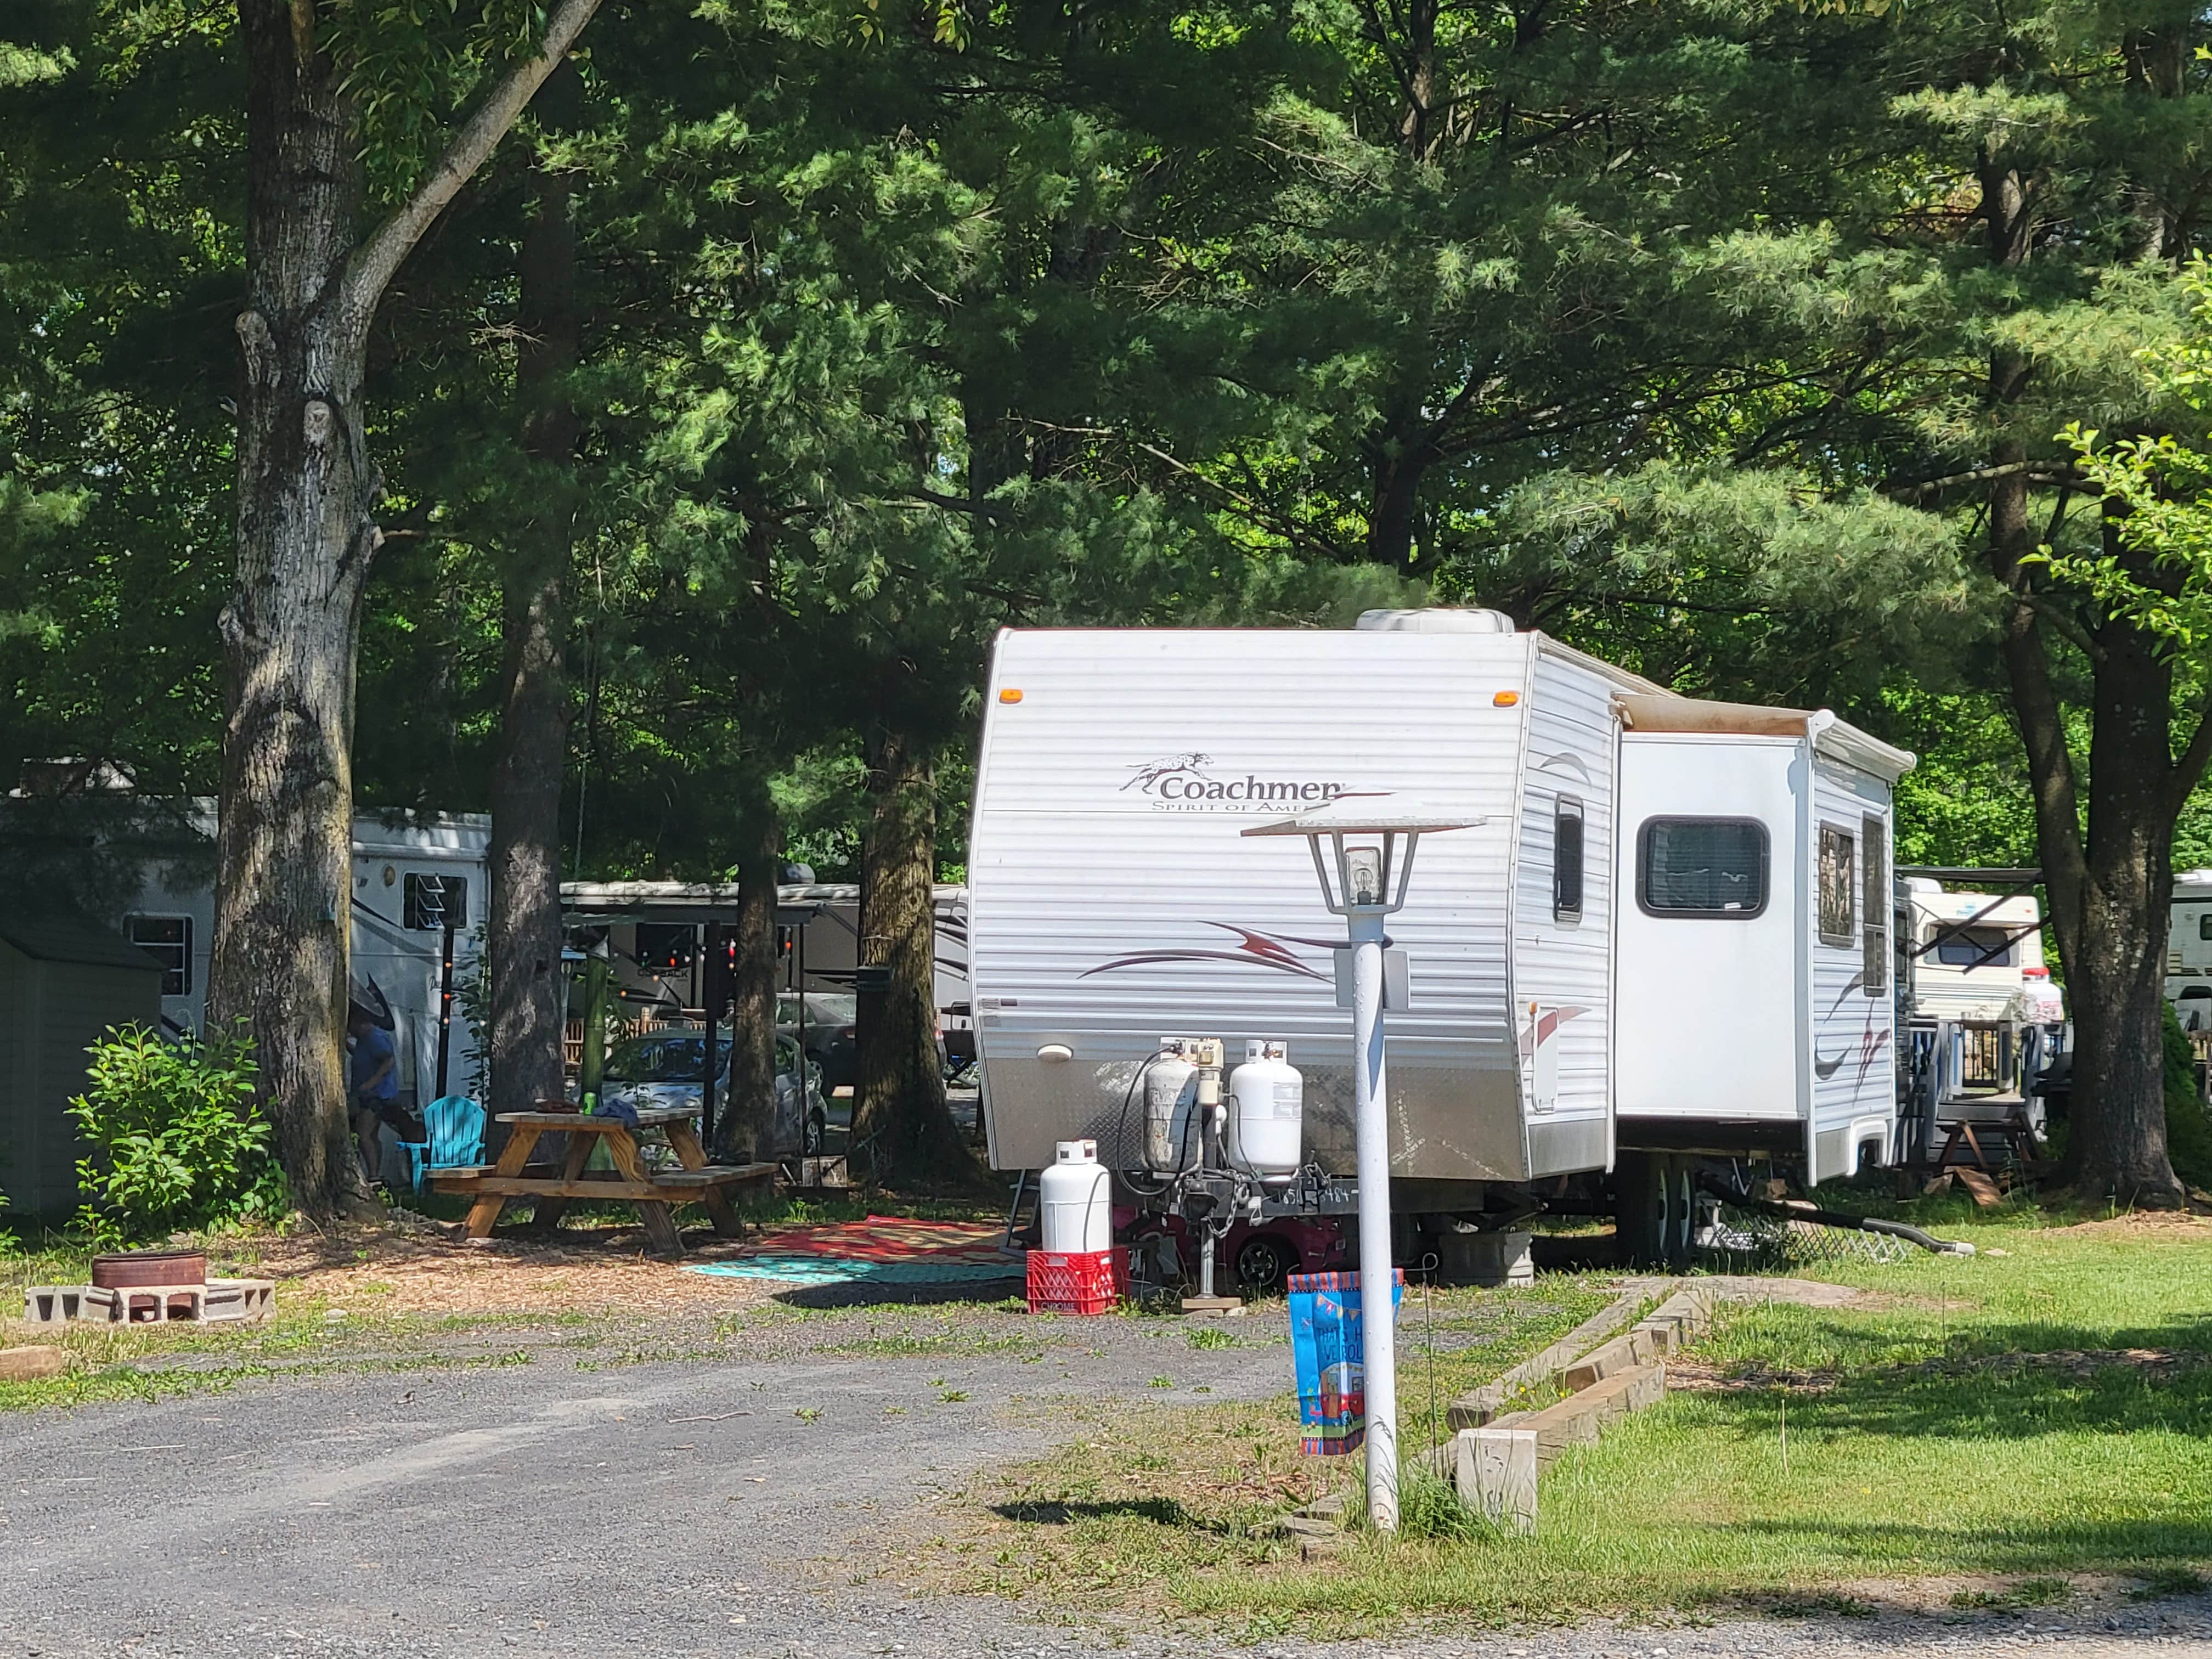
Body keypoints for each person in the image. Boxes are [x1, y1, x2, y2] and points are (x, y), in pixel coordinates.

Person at [347, 1007, 403, 1183]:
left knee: (363, 1133)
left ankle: (373, 1175)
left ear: (359, 1023)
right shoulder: (364, 1041)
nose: (350, 1032)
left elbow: (388, 1061)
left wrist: (371, 1083)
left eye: (351, 1027)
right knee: (371, 1135)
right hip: (370, 1094)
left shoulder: (375, 1037)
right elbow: (363, 1057)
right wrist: (346, 1045)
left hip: (377, 1095)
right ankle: (376, 1173)